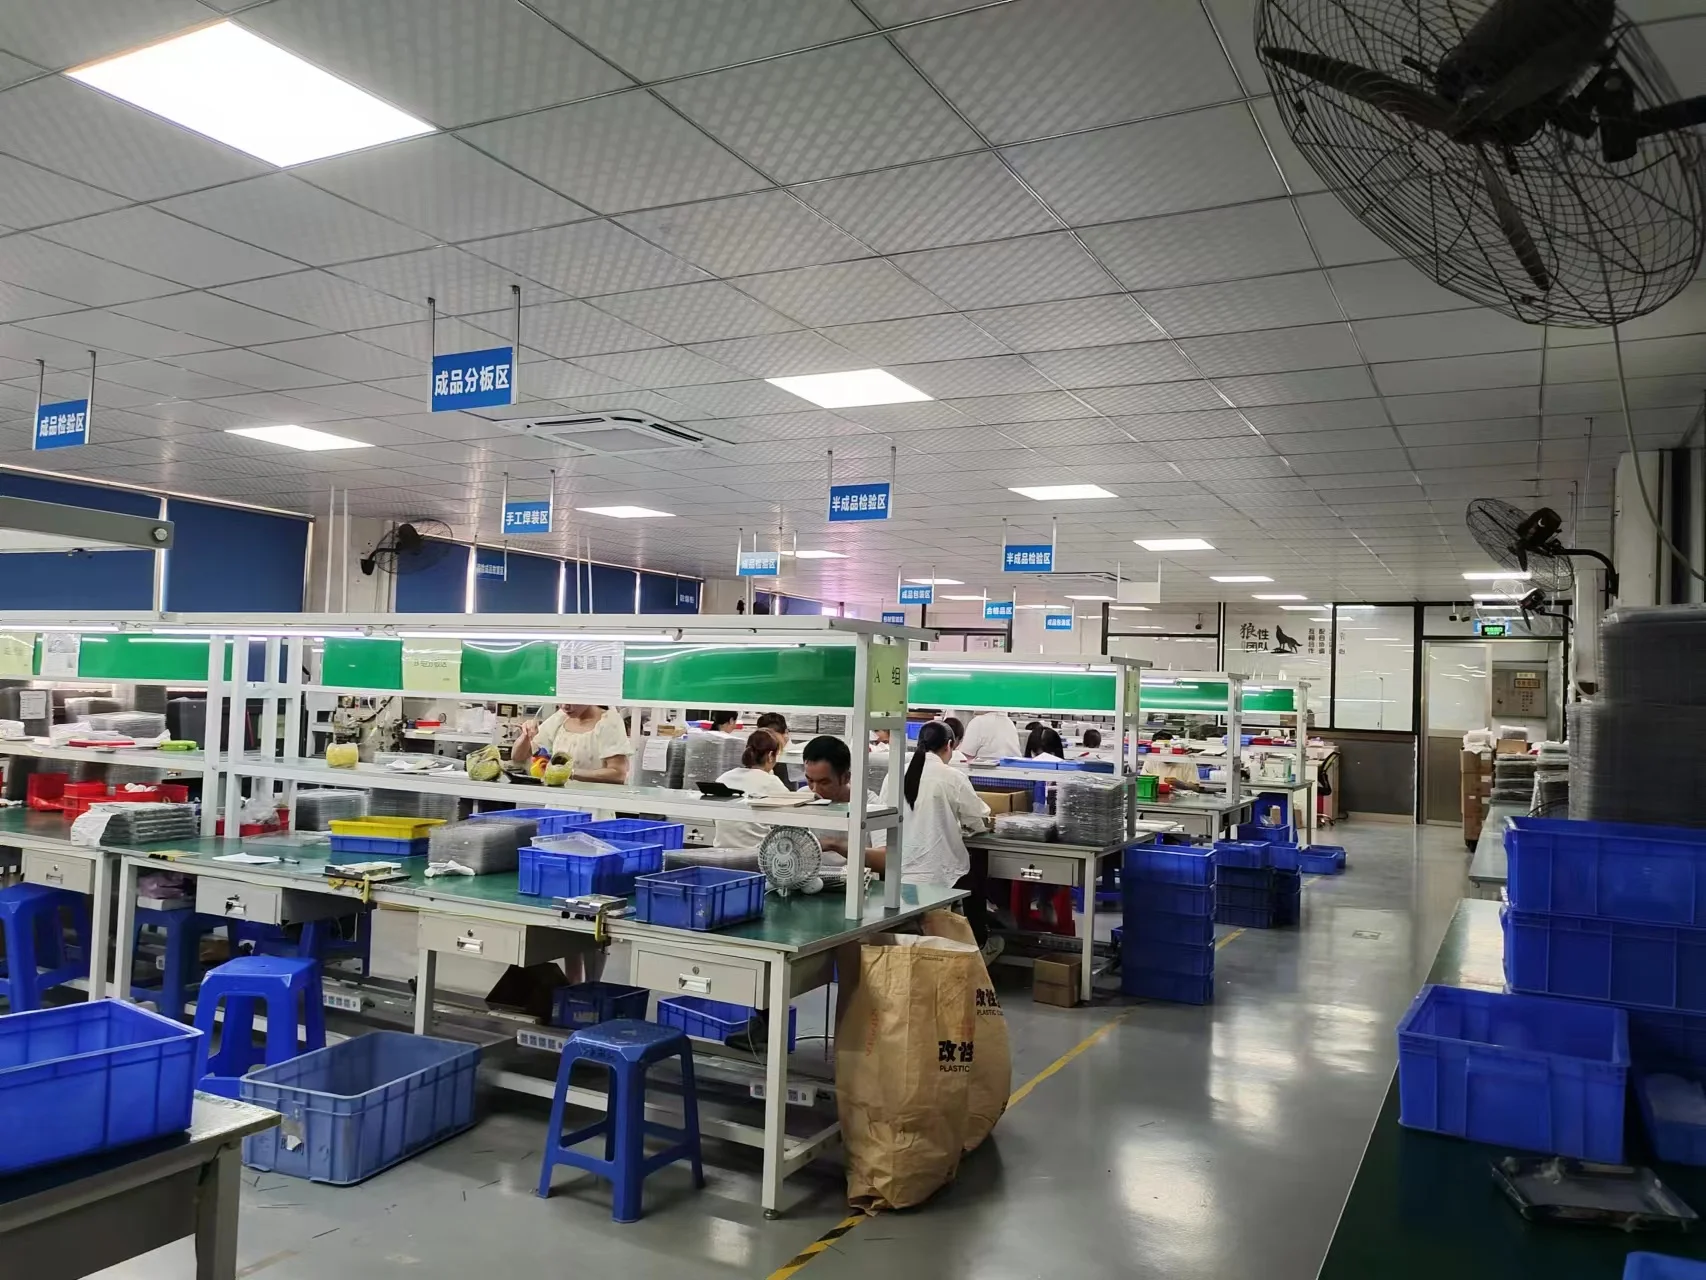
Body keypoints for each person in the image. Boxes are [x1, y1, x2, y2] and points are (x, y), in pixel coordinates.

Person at [903, 721, 996, 952]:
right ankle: (979, 943)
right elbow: (977, 820)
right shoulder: (951, 776)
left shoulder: (895, 774)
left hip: (899, 871)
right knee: (975, 872)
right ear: (949, 745)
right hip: (939, 873)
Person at [800, 735, 886, 860]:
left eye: (824, 783)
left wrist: (835, 845)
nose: (815, 789)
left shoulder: (871, 805)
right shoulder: (803, 798)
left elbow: (885, 858)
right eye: (810, 780)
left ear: (846, 777)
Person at [510, 704, 632, 783]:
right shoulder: (560, 719)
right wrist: (525, 736)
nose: (565, 706)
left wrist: (569, 773)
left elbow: (618, 774)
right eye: (561, 700)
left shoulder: (608, 722)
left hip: (593, 805)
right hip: (558, 802)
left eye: (571, 700)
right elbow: (518, 757)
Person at [712, 730, 792, 848]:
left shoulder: (724, 778)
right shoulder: (771, 782)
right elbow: (792, 818)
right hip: (754, 855)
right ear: (771, 756)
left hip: (720, 851)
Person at [755, 712, 793, 789]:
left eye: (773, 737)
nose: (768, 742)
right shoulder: (757, 752)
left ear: (785, 733)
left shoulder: (793, 755)